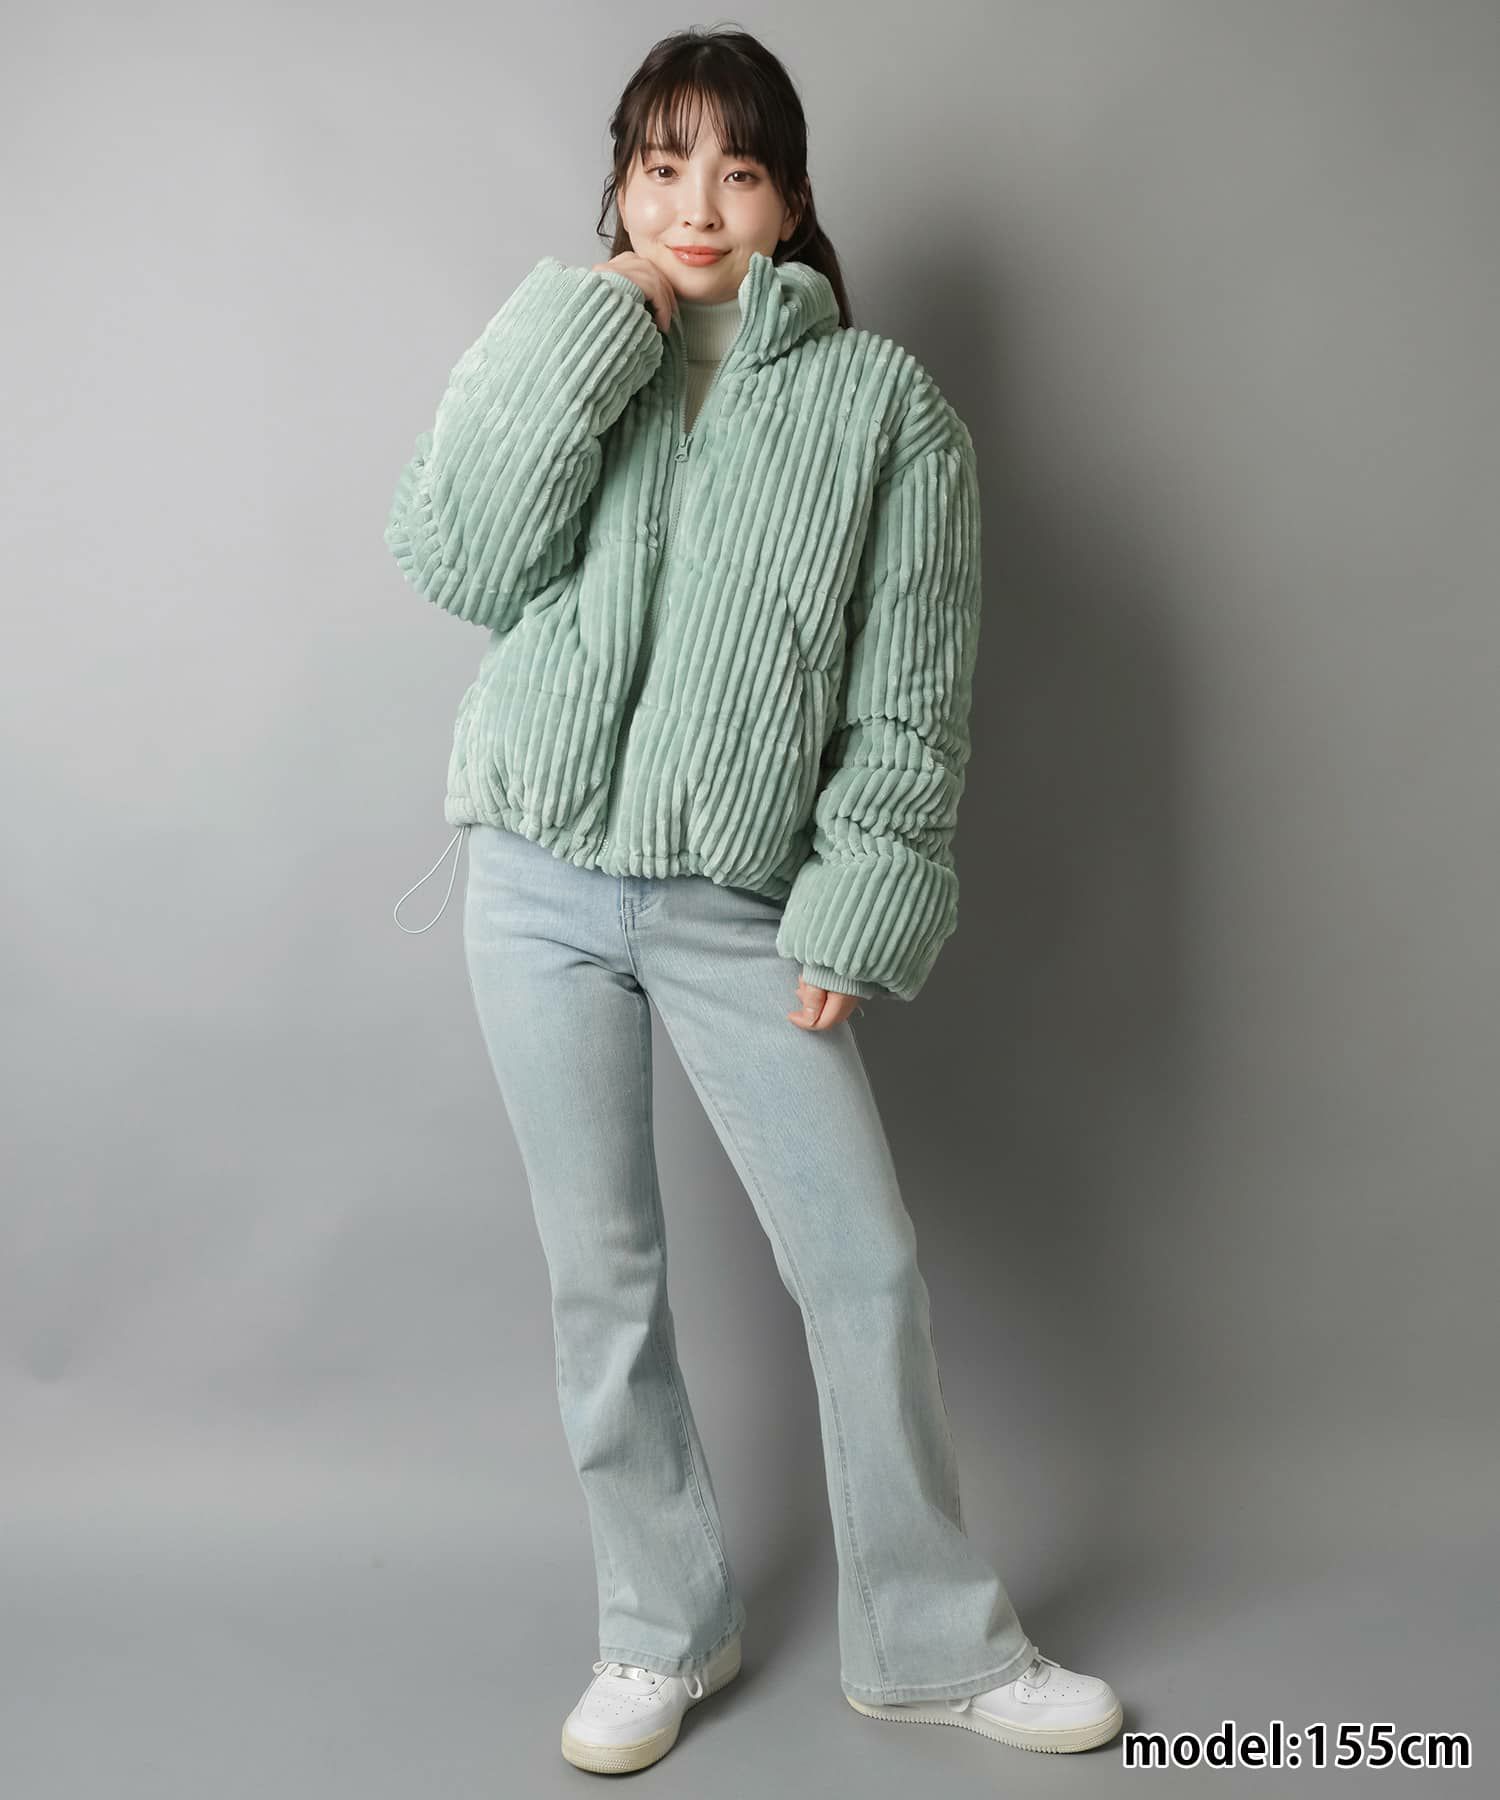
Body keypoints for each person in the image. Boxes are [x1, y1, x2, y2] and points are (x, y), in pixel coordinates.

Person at [386, 25, 1122, 1776]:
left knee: (862, 1269)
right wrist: (598, 327)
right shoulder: (577, 354)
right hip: (536, 881)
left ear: (792, 198)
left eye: (737, 168)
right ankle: (659, 1631)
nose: (698, 205)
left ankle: (933, 1643)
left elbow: (908, 698)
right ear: (622, 187)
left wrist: (859, 901)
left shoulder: (885, 412)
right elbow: (460, 556)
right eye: (663, 167)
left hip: (736, 907)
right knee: (603, 1282)